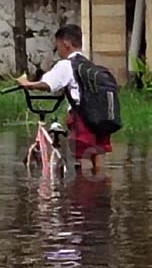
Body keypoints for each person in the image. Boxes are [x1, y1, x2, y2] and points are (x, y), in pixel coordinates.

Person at [16, 24, 113, 173]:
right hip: (101, 117)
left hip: (82, 117)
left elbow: (47, 84)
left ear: (66, 44)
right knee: (97, 155)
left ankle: (84, 189)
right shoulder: (89, 65)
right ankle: (101, 190)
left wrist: (28, 84)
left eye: (58, 47)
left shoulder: (66, 65)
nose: (58, 52)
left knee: (83, 158)